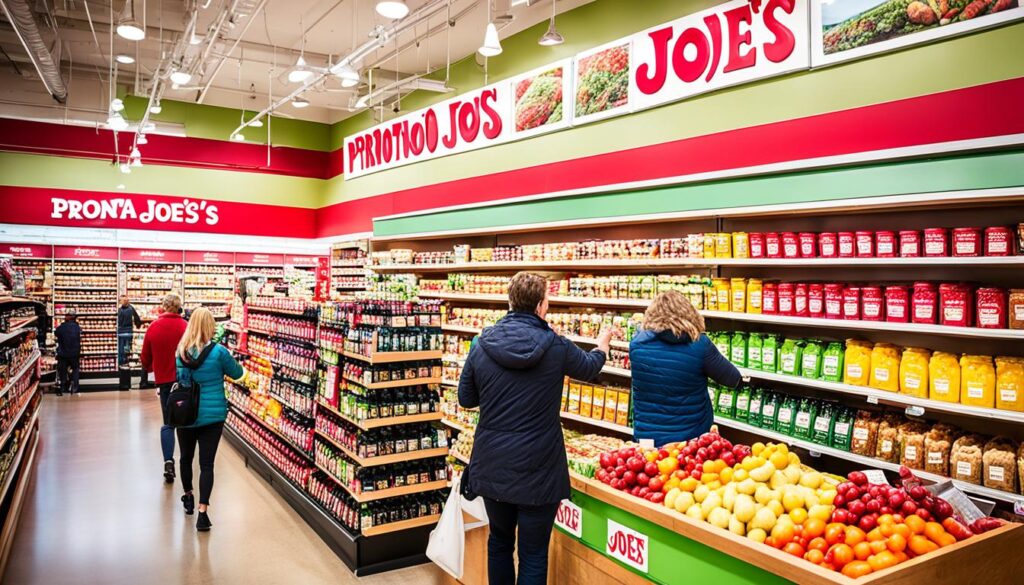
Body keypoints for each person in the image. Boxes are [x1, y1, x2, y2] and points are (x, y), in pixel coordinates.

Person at [459, 272, 610, 585]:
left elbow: (466, 398)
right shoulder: (556, 346)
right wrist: (602, 346)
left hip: (494, 465)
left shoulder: (481, 343)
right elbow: (589, 368)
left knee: (499, 543)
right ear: (541, 306)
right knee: (534, 553)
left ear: (510, 302)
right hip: (539, 469)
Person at [629, 290, 742, 446]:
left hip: (648, 439)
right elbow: (733, 379)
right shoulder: (700, 344)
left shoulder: (637, 344)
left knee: (651, 469)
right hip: (691, 441)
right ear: (689, 313)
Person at [175, 307, 244, 532]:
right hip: (213, 415)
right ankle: (203, 513)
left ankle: (188, 498)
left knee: (185, 458)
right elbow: (236, 373)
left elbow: (180, 378)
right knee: (207, 464)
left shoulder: (181, 351)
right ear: (210, 326)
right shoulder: (220, 352)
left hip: (185, 413)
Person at [141, 294, 188, 484]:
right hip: (184, 381)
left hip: (164, 382)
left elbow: (145, 357)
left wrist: (153, 370)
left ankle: (168, 461)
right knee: (185, 421)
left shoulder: (154, 327)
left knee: (168, 422)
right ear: (178, 308)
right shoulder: (186, 327)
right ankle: (186, 460)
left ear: (164, 307)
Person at [54, 308, 82, 396]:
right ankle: (75, 387)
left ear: (69, 317)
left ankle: (63, 387)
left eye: (66, 315)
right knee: (75, 369)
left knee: (63, 370)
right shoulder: (77, 327)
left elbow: (56, 333)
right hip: (74, 353)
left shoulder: (61, 327)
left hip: (64, 353)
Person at [117, 295, 143, 390]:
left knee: (120, 352)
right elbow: (137, 320)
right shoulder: (131, 308)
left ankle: (122, 366)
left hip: (120, 334)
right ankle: (126, 361)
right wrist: (138, 325)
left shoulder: (119, 310)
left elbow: (118, 321)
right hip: (129, 334)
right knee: (126, 350)